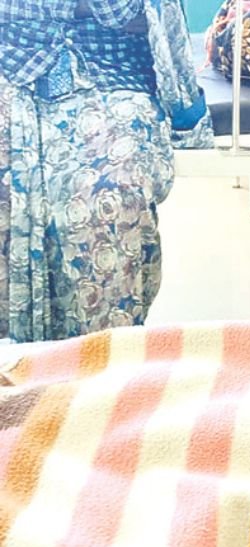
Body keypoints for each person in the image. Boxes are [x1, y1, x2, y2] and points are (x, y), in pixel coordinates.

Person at [0, 0, 211, 343]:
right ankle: (15, 363)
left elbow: (132, 13)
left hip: (111, 71)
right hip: (13, 62)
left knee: (109, 194)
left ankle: (102, 358)